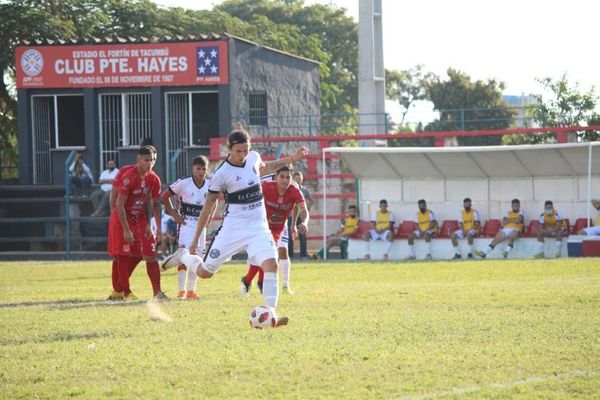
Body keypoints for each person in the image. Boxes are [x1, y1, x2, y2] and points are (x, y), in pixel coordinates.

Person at [162, 126, 308, 327]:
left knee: (271, 263)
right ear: (228, 149)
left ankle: (270, 313)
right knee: (205, 272)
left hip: (258, 227)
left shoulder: (254, 158)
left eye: (246, 150)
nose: (242, 155)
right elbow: (208, 206)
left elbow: (264, 168)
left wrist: (291, 159)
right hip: (232, 229)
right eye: (238, 151)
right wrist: (196, 239)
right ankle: (183, 256)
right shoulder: (221, 174)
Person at [106, 145, 166, 301]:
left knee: (147, 254)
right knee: (122, 255)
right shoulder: (128, 176)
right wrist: (123, 228)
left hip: (140, 219)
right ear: (138, 160)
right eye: (146, 160)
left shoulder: (154, 179)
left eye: (152, 160)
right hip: (123, 217)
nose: (150, 163)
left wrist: (153, 227)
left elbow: (153, 204)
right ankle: (124, 292)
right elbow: (118, 203)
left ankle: (157, 293)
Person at [240, 166, 309, 296]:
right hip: (261, 226)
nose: (284, 180)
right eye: (281, 177)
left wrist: (304, 222)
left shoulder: (295, 191)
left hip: (278, 229)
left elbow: (303, 210)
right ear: (276, 177)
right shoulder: (266, 186)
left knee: (270, 256)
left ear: (291, 178)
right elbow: (247, 195)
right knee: (263, 255)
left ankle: (249, 280)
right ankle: (257, 282)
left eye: (287, 177)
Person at [160, 155, 215, 299]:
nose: (201, 172)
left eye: (204, 169)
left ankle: (191, 291)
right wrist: (174, 215)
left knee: (197, 258)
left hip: (201, 224)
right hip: (187, 224)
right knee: (185, 255)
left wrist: (210, 217)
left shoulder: (210, 184)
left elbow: (214, 201)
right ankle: (181, 290)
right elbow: (164, 196)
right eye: (198, 168)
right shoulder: (183, 183)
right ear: (193, 169)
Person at [292, 171, 312, 260]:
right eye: (296, 179)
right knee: (290, 236)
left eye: (299, 179)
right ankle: (290, 256)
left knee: (302, 236)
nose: (298, 181)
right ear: (293, 179)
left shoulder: (305, 190)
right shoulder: (291, 189)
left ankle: (303, 256)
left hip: (301, 216)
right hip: (291, 216)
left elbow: (311, 200)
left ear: (302, 180)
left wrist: (308, 209)